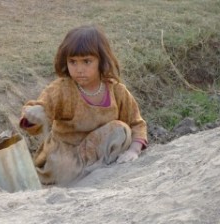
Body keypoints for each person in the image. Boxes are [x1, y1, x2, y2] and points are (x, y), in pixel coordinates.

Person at [19, 25, 147, 185]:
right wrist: (34, 114)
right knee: (64, 165)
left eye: (87, 61)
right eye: (73, 62)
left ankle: (95, 173)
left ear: (102, 60)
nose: (79, 69)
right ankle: (81, 176)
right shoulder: (61, 89)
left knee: (121, 129)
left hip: (95, 155)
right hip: (63, 163)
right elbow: (40, 109)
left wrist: (134, 150)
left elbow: (136, 123)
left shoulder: (117, 91)